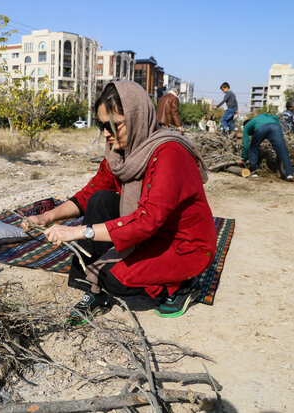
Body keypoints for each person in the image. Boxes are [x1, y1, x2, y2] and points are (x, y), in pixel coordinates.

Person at [23, 81, 217, 321]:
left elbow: (147, 221)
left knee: (114, 279)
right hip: (149, 234)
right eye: (102, 125)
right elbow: (88, 193)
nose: (106, 133)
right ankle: (94, 291)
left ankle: (185, 284)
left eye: (114, 125)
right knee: (100, 199)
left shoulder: (169, 154)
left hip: (182, 244)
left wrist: (80, 232)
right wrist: (48, 216)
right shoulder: (119, 153)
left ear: (136, 118)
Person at [239, 113, 294, 181]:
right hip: (275, 127)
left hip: (260, 129)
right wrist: (278, 128)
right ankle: (290, 174)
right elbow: (275, 117)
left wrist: (243, 157)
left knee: (253, 148)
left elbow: (245, 144)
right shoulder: (262, 116)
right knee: (282, 150)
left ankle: (254, 171)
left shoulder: (246, 127)